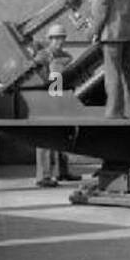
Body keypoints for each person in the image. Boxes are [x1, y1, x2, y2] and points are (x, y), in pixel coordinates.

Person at [33, 24, 73, 187]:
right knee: (45, 137)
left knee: (63, 136)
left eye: (62, 38)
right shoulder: (42, 57)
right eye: (56, 38)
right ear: (50, 39)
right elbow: (33, 76)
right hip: (46, 99)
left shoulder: (66, 57)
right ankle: (43, 176)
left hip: (61, 98)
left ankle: (62, 172)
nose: (59, 41)